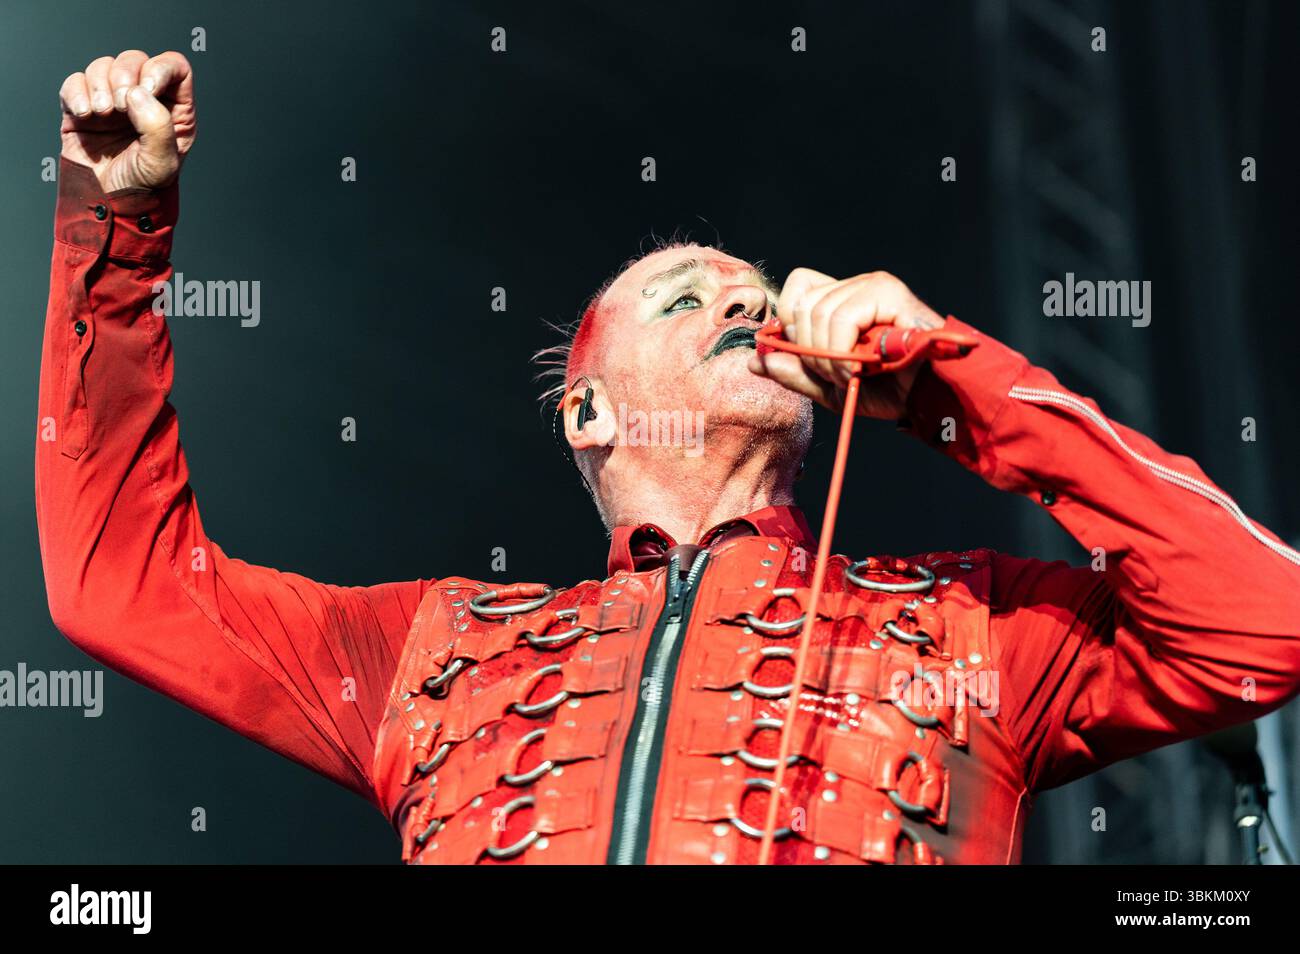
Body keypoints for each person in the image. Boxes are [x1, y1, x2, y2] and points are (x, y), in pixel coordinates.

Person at [37, 49, 1300, 865]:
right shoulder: (432, 647)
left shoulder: (972, 626)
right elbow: (123, 586)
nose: (748, 306)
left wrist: (941, 379)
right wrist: (121, 224)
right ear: (588, 414)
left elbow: (1261, 617)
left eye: (760, 293)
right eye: (690, 301)